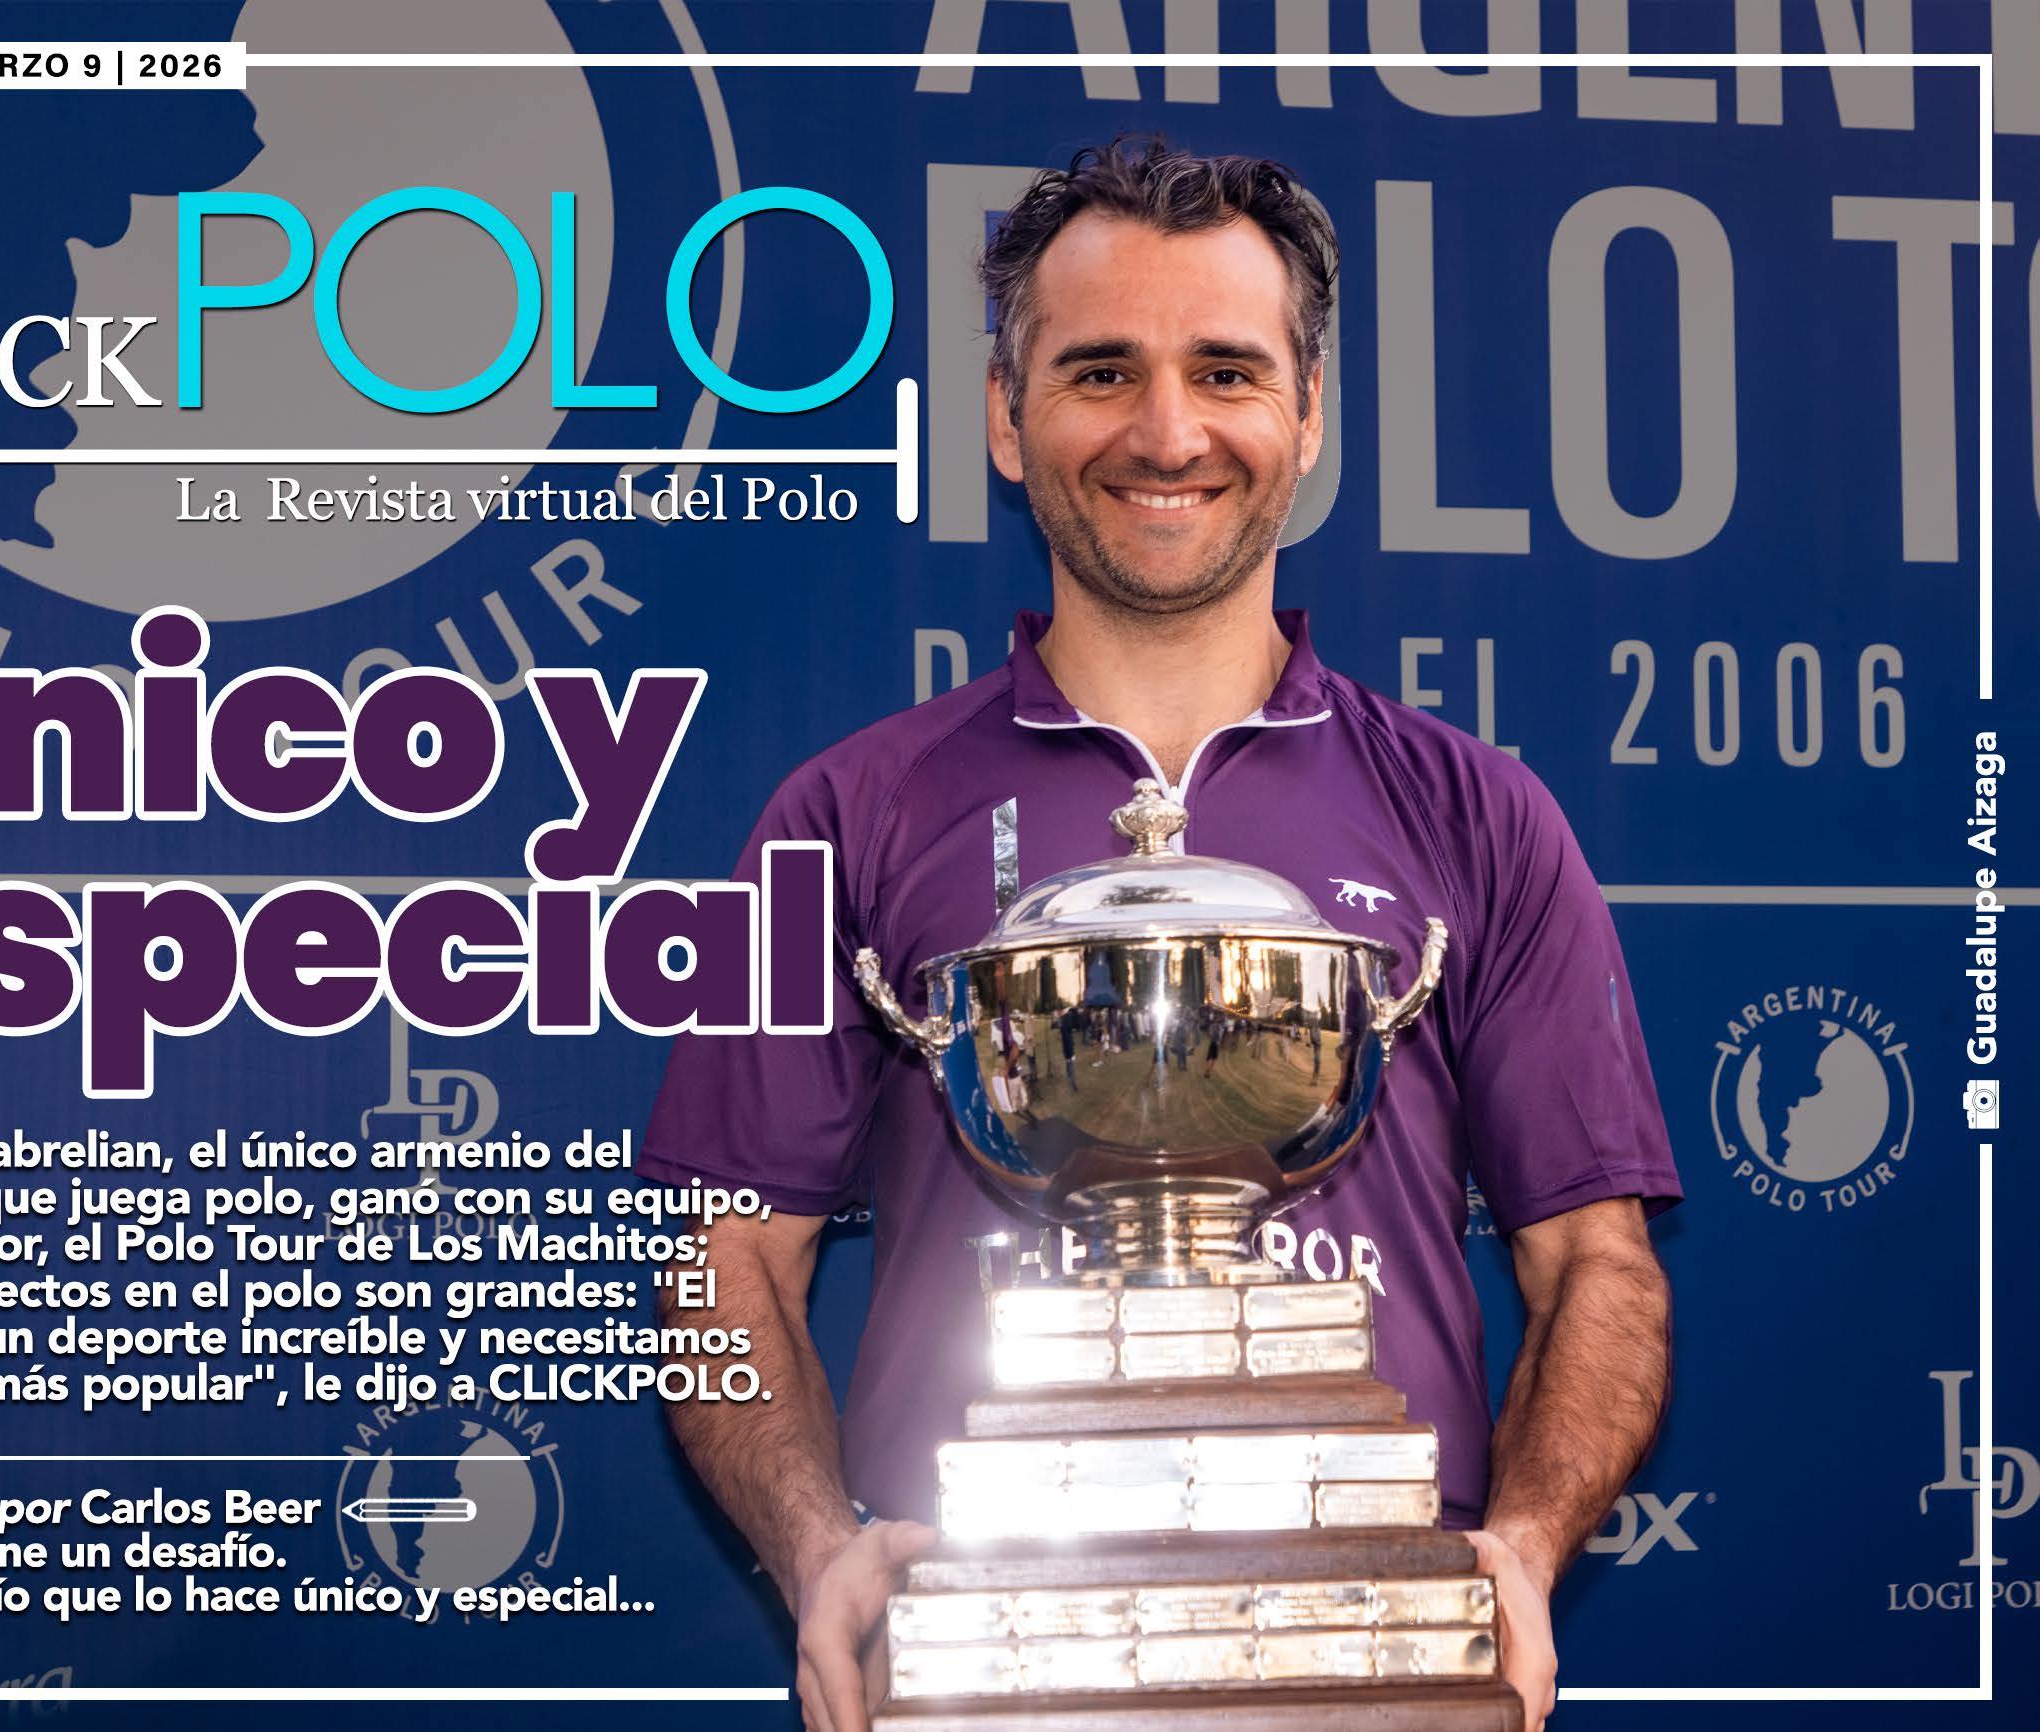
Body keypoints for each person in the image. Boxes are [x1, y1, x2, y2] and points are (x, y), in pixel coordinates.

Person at [639, 136, 1679, 1732]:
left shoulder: (1478, 814)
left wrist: (1521, 1554)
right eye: (1101, 371)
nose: (1167, 431)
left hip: (1375, 1652)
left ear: (1307, 415)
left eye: (1226, 371)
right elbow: (728, 1259)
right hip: (979, 1656)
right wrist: (817, 1549)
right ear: (1006, 416)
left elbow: (1593, 1259)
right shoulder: (844, 816)